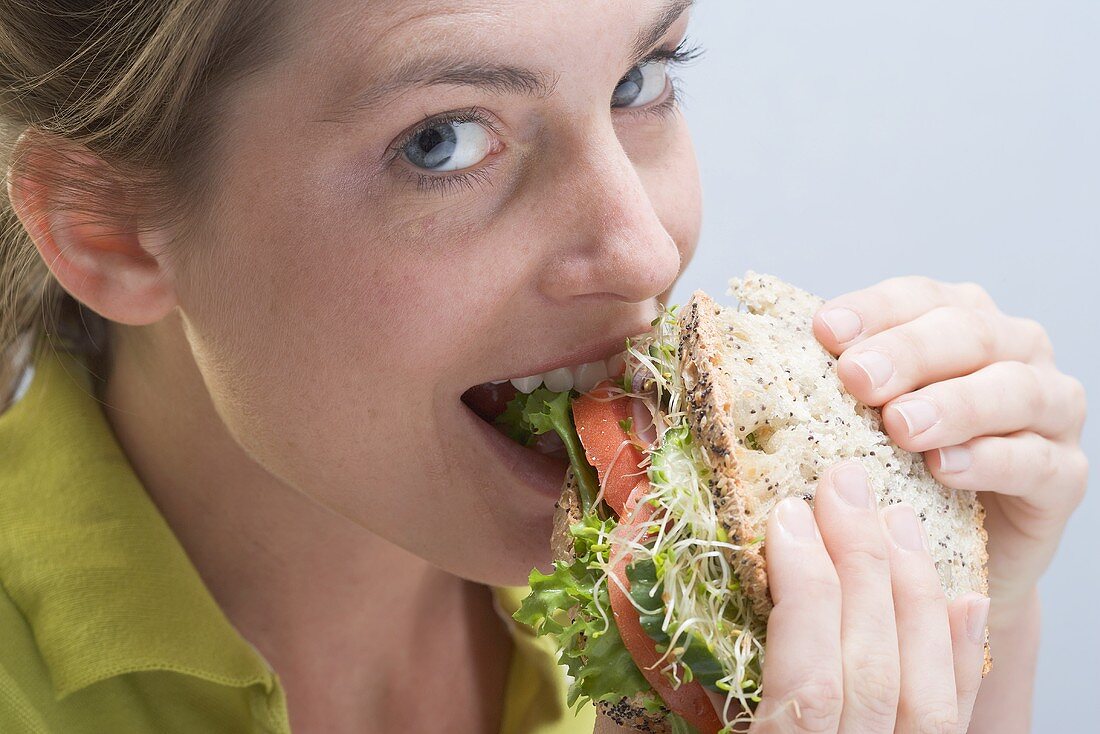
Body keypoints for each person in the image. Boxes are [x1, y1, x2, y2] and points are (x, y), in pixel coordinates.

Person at [0, 1, 1087, 732]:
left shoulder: (720, 625)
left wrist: (963, 646)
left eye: (640, 80)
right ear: (111, 230)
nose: (643, 249)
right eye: (443, 141)